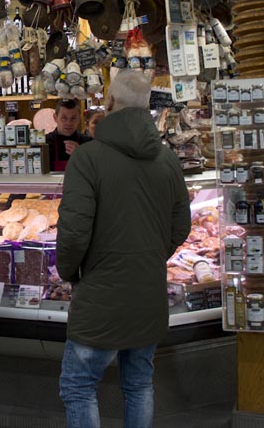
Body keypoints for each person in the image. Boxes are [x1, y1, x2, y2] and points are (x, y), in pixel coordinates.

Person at [56, 70, 191, 427]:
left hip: (100, 298)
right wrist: (148, 258)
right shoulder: (167, 159)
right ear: (148, 106)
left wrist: (69, 272)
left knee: (78, 386)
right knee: (139, 384)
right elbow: (181, 228)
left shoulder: (86, 159)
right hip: (147, 296)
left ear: (110, 103)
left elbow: (72, 234)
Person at [46, 99, 93, 172]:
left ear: (79, 119)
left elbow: (95, 172)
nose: (69, 123)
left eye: (73, 118)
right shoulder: (45, 143)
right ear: (55, 118)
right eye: (64, 118)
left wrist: (81, 155)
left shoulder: (88, 143)